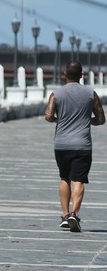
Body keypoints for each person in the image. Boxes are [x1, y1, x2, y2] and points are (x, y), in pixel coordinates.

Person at [44, 60, 105, 232]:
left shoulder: (56, 94)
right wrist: (86, 121)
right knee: (78, 179)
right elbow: (101, 119)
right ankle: (74, 214)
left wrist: (60, 120)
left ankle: (64, 215)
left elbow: (48, 116)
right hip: (82, 144)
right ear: (81, 75)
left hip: (61, 144)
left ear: (64, 75)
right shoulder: (90, 94)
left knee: (64, 177)